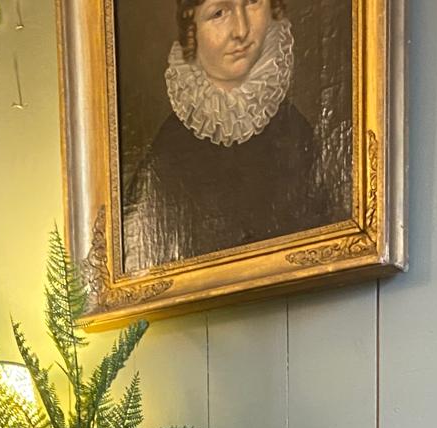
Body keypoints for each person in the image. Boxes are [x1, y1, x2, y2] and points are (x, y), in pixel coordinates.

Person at [122, 0, 350, 275]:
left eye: (252, 2)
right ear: (192, 30)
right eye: (218, 13)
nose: (241, 30)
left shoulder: (297, 133)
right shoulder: (166, 157)